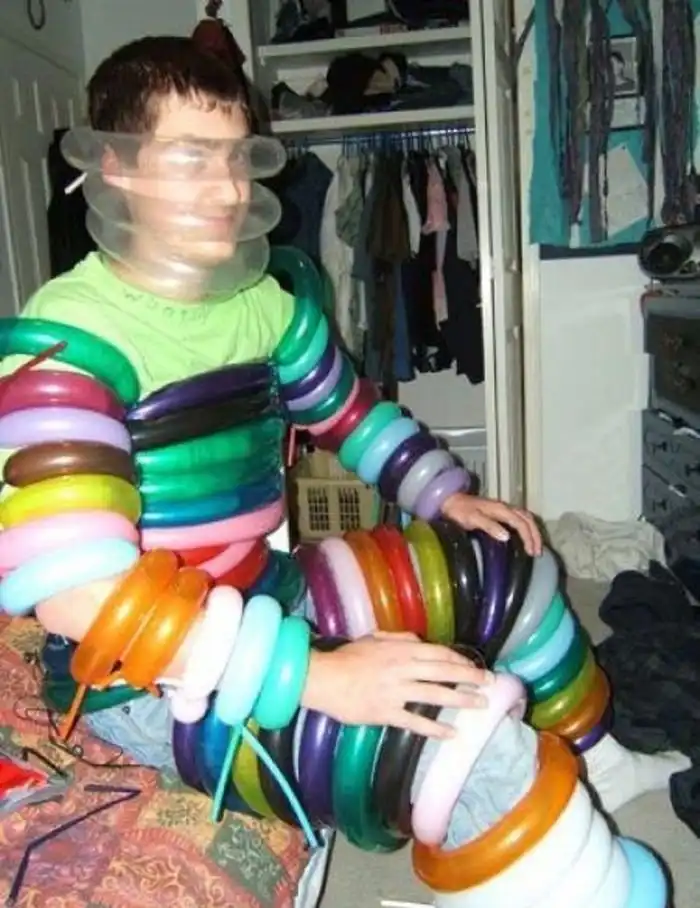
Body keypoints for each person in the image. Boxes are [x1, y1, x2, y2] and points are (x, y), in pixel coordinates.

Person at [3, 35, 541, 750]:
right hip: (148, 673)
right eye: (193, 157)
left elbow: (349, 414)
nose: (232, 190)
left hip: (267, 592)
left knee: (508, 563)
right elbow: (76, 596)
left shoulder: (265, 306)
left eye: (236, 158)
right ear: (116, 166)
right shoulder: (70, 335)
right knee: (463, 736)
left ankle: (601, 752)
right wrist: (321, 676)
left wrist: (445, 497)